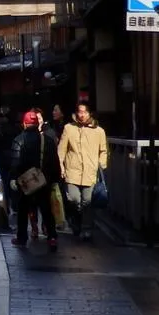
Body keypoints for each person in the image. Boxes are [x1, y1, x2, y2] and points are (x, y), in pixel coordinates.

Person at [57, 102, 108, 242]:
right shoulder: (69, 128)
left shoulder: (99, 131)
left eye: (84, 112)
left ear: (89, 113)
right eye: (79, 111)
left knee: (88, 202)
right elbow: (61, 149)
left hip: (90, 172)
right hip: (72, 171)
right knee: (73, 199)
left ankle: (86, 229)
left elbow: (103, 150)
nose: (82, 114)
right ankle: (76, 220)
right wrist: (61, 166)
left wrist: (101, 165)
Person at [9, 110, 60, 250]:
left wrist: (13, 178)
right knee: (46, 209)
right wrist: (55, 178)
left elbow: (15, 161)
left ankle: (22, 237)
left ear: (24, 124)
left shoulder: (19, 140)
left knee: (23, 209)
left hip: (25, 182)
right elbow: (55, 162)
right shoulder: (47, 140)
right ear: (37, 124)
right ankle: (52, 236)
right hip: (43, 180)